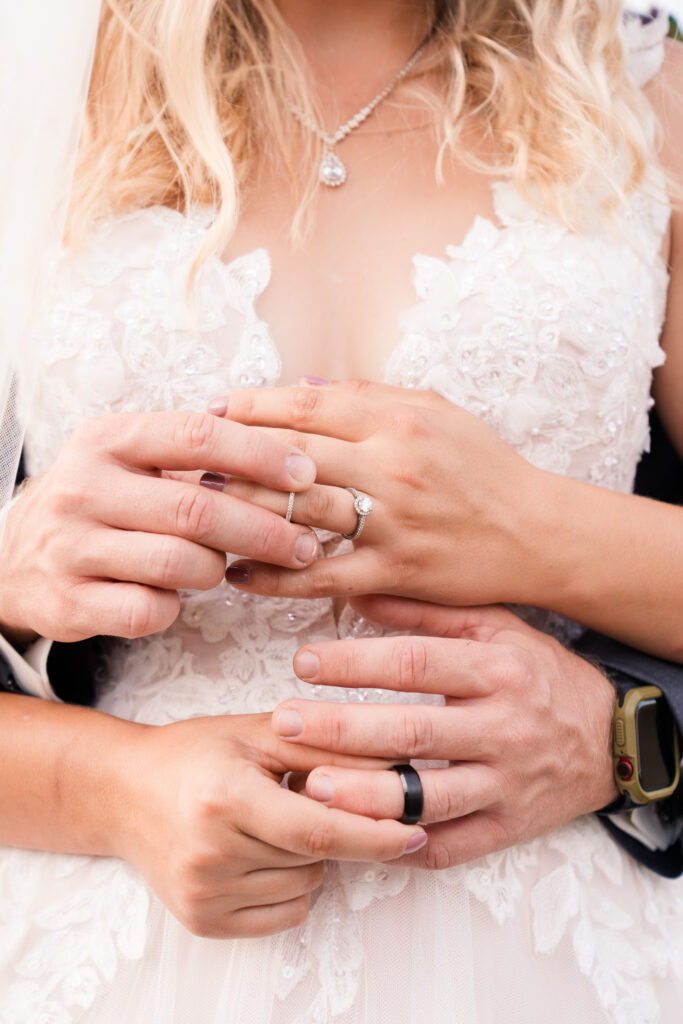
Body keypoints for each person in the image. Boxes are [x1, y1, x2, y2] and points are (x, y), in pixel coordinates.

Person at [0, 2, 682, 1022]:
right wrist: (115, 782)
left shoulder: (636, 89)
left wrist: (549, 563)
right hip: (124, 948)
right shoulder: (38, 77)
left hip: (551, 942)